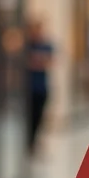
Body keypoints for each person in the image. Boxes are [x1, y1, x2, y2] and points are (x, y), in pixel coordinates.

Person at [25, 18, 54, 154]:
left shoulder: (46, 45)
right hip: (28, 88)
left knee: (39, 116)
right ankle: (29, 142)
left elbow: (49, 62)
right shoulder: (27, 46)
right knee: (29, 116)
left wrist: (36, 61)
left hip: (41, 88)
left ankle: (35, 141)